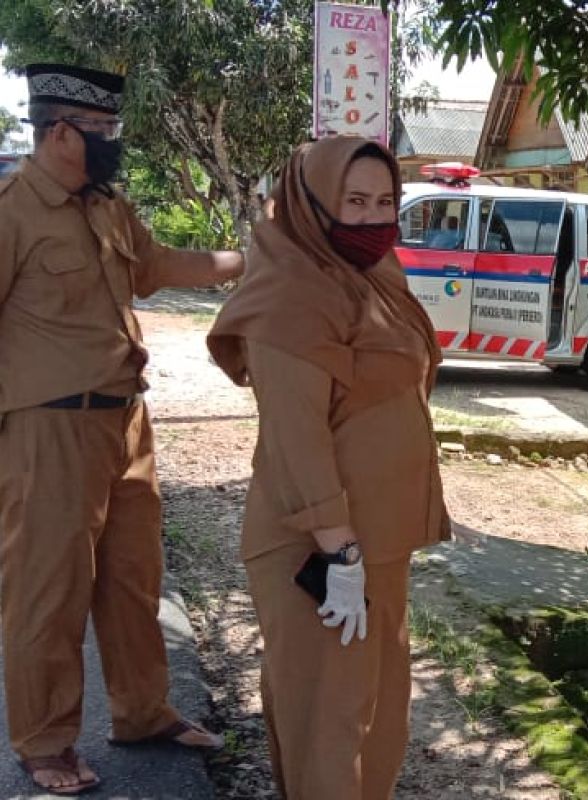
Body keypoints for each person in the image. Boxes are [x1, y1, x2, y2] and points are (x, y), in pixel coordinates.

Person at [0, 63, 243, 795]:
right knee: (49, 592)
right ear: (62, 132)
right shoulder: (12, 212)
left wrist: (248, 262)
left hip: (126, 422)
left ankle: (142, 711)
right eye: (103, 133)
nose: (113, 144)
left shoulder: (107, 207)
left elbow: (159, 266)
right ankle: (44, 744)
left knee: (134, 581)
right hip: (49, 430)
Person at [207, 135, 450, 799]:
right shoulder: (287, 292)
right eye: (355, 202)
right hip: (319, 550)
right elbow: (296, 434)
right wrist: (338, 550)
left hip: (381, 540)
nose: (373, 220)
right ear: (314, 204)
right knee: (329, 718)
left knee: (382, 714)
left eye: (385, 203)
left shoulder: (377, 275)